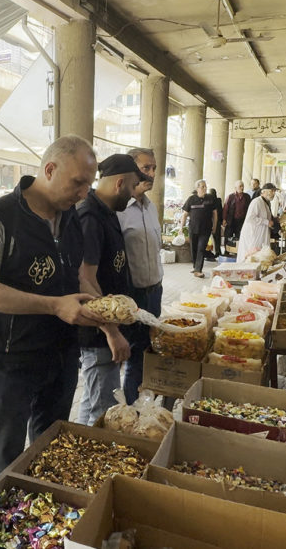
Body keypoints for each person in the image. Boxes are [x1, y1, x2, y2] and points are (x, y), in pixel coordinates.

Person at [0, 135, 103, 485]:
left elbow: (77, 275)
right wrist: (54, 306)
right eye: (78, 182)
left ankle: (41, 526)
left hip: (62, 355)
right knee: (5, 459)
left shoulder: (71, 217)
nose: (84, 193)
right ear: (49, 169)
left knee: (51, 449)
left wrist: (110, 320)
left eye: (89, 184)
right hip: (12, 361)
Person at [76, 153, 142, 425]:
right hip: (98, 333)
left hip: (105, 330)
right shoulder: (90, 217)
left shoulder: (108, 212)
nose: (133, 193)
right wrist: (112, 332)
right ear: (120, 183)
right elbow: (85, 278)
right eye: (132, 186)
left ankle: (78, 449)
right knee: (103, 411)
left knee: (93, 402)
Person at [118, 147, 163, 404]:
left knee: (146, 352)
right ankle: (123, 409)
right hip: (130, 295)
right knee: (126, 353)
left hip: (154, 291)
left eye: (154, 168)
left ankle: (139, 407)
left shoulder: (151, 208)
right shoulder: (119, 210)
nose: (152, 173)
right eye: (146, 168)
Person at [179, 180, 215, 278]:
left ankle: (198, 270)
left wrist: (215, 226)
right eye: (202, 187)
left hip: (206, 228)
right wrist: (181, 228)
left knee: (201, 249)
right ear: (197, 188)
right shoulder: (191, 199)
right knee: (193, 248)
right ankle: (195, 266)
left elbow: (215, 213)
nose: (205, 188)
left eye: (205, 186)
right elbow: (185, 214)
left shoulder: (210, 199)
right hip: (193, 228)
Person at [236, 183, 277, 262]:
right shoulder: (256, 202)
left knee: (261, 258)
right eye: (272, 191)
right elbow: (250, 218)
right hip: (253, 235)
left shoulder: (266, 203)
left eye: (274, 191)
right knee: (250, 258)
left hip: (261, 235)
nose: (273, 193)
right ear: (264, 191)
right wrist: (266, 222)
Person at [206, 188, 224, 260]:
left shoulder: (208, 200)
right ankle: (218, 252)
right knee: (217, 238)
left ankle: (210, 253)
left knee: (210, 238)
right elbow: (221, 210)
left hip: (210, 221)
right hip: (217, 221)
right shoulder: (218, 200)